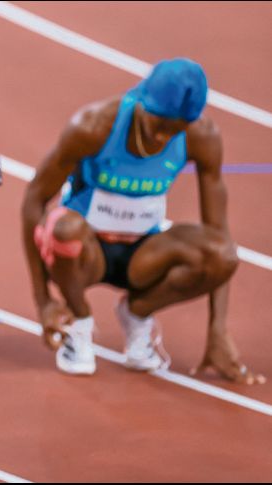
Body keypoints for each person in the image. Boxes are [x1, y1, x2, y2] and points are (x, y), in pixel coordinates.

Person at [22, 58, 265, 385]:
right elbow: (34, 199)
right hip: (85, 252)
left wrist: (218, 329)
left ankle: (137, 314)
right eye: (159, 122)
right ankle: (79, 322)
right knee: (64, 228)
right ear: (141, 101)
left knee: (222, 255)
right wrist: (43, 301)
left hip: (143, 254)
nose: (164, 136)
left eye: (176, 129)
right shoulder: (94, 127)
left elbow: (218, 232)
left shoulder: (201, 136)